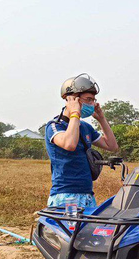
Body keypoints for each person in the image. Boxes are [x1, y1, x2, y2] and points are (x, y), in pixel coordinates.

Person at [44, 74, 119, 209]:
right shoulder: (54, 126)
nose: (92, 104)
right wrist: (75, 113)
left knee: (88, 230)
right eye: (88, 100)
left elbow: (112, 146)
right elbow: (70, 144)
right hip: (65, 195)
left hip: (87, 195)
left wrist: (101, 119)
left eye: (94, 100)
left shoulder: (85, 127)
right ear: (71, 98)